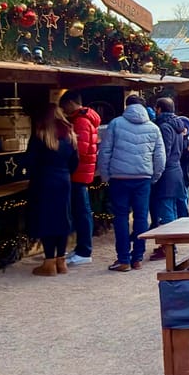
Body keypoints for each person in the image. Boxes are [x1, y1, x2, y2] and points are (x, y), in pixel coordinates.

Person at [97, 92, 165, 272]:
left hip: (119, 178)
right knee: (141, 217)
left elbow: (105, 151)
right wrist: (154, 176)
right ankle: (138, 258)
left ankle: (123, 259)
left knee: (121, 217)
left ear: (126, 106)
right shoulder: (153, 128)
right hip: (143, 178)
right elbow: (160, 157)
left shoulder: (115, 124)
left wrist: (106, 175)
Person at [24, 102, 80, 275]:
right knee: (63, 219)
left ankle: (49, 263)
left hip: (44, 181)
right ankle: (61, 261)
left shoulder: (40, 135)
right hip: (64, 180)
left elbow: (29, 161)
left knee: (47, 219)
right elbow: (75, 162)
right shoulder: (70, 135)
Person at [62, 92, 102, 266]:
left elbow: (80, 150)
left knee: (82, 212)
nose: (63, 110)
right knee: (81, 211)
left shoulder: (81, 121)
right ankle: (81, 248)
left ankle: (84, 251)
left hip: (78, 172)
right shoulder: (84, 119)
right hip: (83, 172)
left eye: (64, 106)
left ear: (71, 103)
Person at [151, 98, 189, 230]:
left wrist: (157, 170)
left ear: (159, 109)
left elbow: (164, 152)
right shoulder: (178, 125)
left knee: (167, 211)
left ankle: (170, 241)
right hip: (177, 171)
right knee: (173, 209)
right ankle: (175, 239)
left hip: (167, 173)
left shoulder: (164, 127)